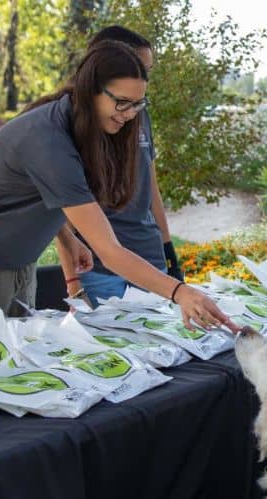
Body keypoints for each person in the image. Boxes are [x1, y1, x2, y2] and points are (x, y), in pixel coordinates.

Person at [0, 40, 236, 333]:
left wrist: (67, 238)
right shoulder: (47, 137)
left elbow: (43, 194)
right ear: (91, 90)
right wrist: (180, 292)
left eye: (138, 104)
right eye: (122, 102)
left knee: (16, 355)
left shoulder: (85, 127)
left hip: (22, 264)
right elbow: (109, 251)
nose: (130, 114)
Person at [56, 25, 183, 306]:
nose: (144, 78)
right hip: (99, 268)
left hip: (149, 261)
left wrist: (167, 249)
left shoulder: (139, 115)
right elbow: (59, 212)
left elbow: (151, 187)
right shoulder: (66, 124)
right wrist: (73, 283)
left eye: (147, 71)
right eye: (139, 67)